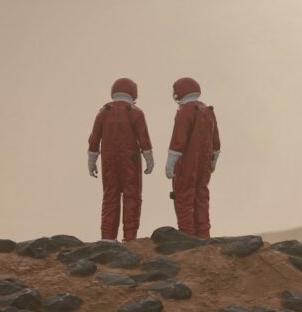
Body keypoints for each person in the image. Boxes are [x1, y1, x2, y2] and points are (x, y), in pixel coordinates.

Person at [87, 78, 155, 241]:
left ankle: (107, 237)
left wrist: (92, 161)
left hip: (109, 161)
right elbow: (144, 138)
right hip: (131, 161)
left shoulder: (104, 111)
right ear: (133, 92)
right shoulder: (136, 112)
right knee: (132, 196)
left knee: (110, 196)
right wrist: (149, 159)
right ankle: (129, 237)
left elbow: (94, 139)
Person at [164, 77, 221, 239]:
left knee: (184, 199)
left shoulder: (185, 111)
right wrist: (213, 161)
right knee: (201, 198)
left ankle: (187, 237)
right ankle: (204, 235)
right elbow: (216, 142)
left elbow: (178, 140)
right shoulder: (208, 111)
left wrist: (170, 164)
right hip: (204, 165)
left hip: (186, 164)